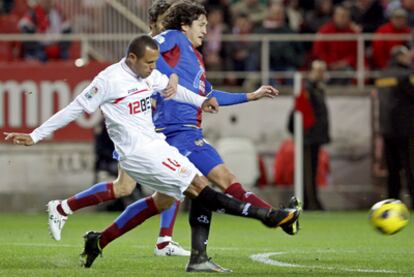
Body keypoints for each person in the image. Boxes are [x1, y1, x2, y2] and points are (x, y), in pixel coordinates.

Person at [4, 35, 300, 273]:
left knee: (181, 195)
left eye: (154, 62)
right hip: (138, 154)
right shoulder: (108, 80)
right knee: (199, 188)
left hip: (155, 145)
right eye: (148, 63)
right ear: (131, 58)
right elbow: (74, 109)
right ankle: (268, 216)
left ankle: (101, 240)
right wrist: (34, 135)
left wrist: (201, 101)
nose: (152, 68)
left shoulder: (148, 73)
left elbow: (173, 89)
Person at [152, 1, 301, 268]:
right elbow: (144, 48)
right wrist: (167, 77)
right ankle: (273, 216)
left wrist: (250, 96)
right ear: (185, 25)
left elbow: (209, 95)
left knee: (209, 189)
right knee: (218, 184)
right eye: (201, 25)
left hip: (189, 132)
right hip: (176, 133)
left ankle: (200, 256)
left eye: (207, 25)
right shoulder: (173, 38)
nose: (206, 31)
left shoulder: (195, 58)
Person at [375, 45, 414, 209]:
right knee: (410, 167)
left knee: (393, 169)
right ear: (400, 57)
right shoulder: (406, 75)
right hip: (407, 129)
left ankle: (392, 202)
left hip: (387, 128)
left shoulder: (382, 76)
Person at [302, 60, 330, 210]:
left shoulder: (318, 88)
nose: (321, 73)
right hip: (309, 136)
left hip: (315, 136)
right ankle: (311, 202)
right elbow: (302, 112)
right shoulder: (307, 89)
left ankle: (311, 200)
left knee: (312, 170)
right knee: (308, 170)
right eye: (318, 70)